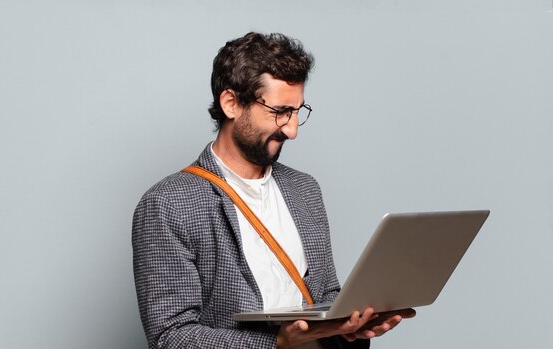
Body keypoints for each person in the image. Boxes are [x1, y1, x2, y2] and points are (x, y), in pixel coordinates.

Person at [132, 32, 415, 349]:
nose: (292, 130)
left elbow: (327, 296)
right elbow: (171, 336)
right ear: (231, 103)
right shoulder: (168, 203)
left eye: (297, 111)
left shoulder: (305, 189)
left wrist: (352, 326)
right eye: (280, 111)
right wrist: (276, 344)